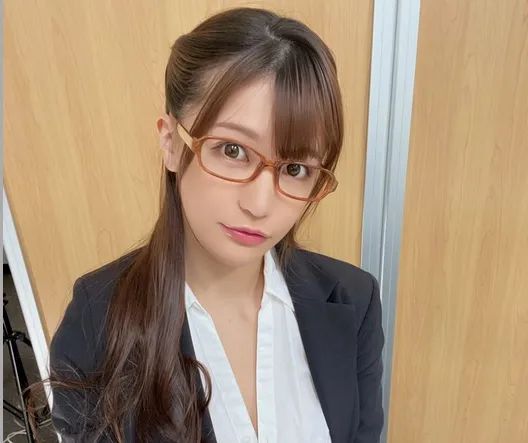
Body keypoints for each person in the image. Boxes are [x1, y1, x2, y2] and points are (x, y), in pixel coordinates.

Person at [35, 6, 385, 443]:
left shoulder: (352, 300)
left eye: (295, 169)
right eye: (232, 150)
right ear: (171, 142)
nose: (259, 204)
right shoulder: (97, 321)